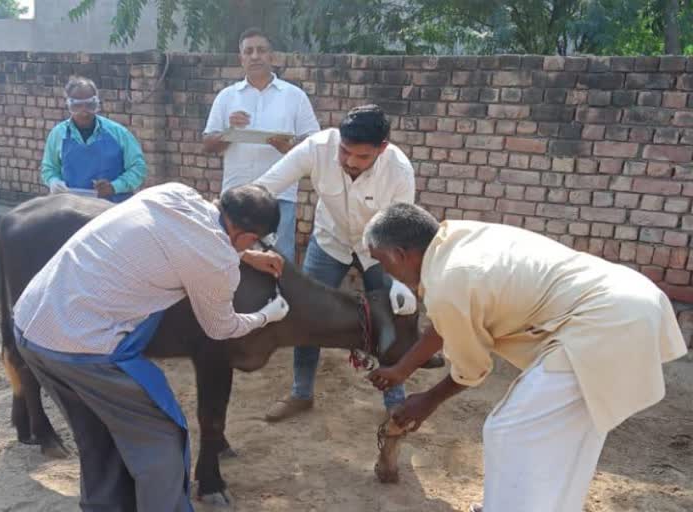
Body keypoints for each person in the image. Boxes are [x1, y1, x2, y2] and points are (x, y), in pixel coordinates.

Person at [364, 203, 688, 512]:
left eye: (382, 261)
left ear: (400, 255)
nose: (386, 271)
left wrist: (429, 399)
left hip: (601, 322)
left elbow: (471, 368)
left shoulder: (450, 279)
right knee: (570, 437)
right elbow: (447, 320)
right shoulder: (456, 240)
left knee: (508, 432)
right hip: (630, 303)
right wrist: (401, 370)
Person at [13, 183, 290, 511]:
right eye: (253, 239)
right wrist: (265, 315)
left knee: (99, 438)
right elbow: (221, 328)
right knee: (163, 437)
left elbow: (185, 238)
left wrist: (247, 254)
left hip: (32, 325)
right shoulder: (217, 262)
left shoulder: (173, 194)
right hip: (85, 348)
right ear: (245, 234)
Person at [254, 104, 418, 422]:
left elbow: (400, 232)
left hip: (378, 249)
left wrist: (400, 281)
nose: (350, 162)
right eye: (345, 152)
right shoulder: (317, 147)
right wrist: (232, 207)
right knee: (307, 317)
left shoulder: (399, 171)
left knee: (389, 319)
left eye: (362, 157)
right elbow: (265, 186)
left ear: (382, 149)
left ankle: (395, 402)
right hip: (329, 243)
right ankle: (301, 393)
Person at [203, 27, 320, 263]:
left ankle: (279, 301)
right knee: (228, 258)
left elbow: (314, 145)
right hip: (234, 196)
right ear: (241, 58)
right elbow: (208, 143)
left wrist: (288, 147)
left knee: (279, 260)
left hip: (279, 195)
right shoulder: (227, 96)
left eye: (261, 50)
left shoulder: (294, 96)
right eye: (249, 51)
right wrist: (229, 132)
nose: (255, 56)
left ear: (272, 56)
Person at [41, 76, 146, 202]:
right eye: (77, 106)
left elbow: (138, 168)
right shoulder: (58, 134)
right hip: (72, 208)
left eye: (90, 105)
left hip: (113, 207)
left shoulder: (119, 133)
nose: (84, 112)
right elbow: (49, 168)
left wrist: (114, 186)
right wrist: (54, 182)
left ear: (97, 104)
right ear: (68, 105)